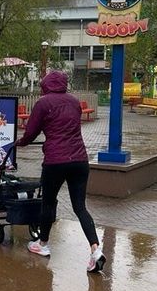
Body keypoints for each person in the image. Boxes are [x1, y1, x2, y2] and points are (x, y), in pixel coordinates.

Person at [15, 70, 105, 273]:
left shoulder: (43, 103)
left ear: (46, 84)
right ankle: (95, 249)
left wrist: (21, 142)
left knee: (48, 202)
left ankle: (43, 244)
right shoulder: (74, 102)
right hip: (80, 160)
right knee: (80, 207)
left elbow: (31, 132)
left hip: (56, 161)